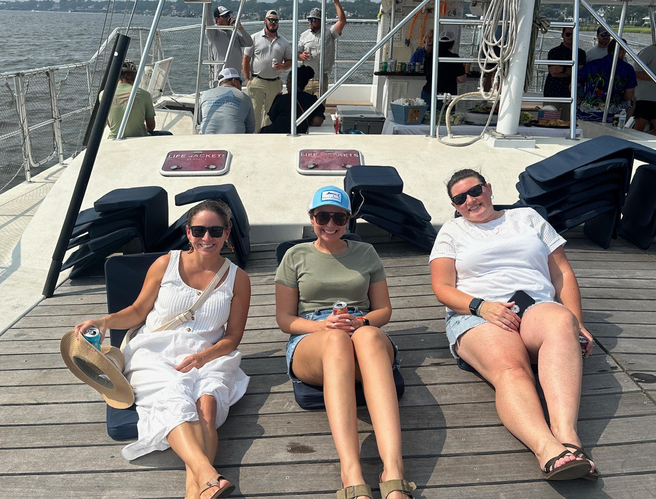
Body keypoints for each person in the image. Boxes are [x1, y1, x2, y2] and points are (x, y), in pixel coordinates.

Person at [74, 199, 251, 499]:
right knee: (174, 397)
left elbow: (232, 337)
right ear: (188, 232)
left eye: (215, 230)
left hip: (208, 353)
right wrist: (104, 321)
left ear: (227, 233)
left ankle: (194, 490)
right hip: (155, 350)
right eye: (199, 230)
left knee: (206, 403)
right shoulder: (165, 264)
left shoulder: (239, 279)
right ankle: (208, 475)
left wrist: (202, 357)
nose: (206, 238)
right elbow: (138, 310)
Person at [429, 169, 598, 482]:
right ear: (455, 204)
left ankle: (568, 438)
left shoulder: (527, 217)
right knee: (510, 367)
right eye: (460, 198)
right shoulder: (451, 232)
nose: (470, 200)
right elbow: (442, 287)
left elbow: (561, 272)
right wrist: (482, 306)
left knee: (561, 321)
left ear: (489, 188)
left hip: (533, 305)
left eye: (475, 191)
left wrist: (577, 320)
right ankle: (547, 448)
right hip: (477, 312)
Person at [275, 186, 416, 499]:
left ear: (348, 220)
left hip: (360, 326)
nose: (330, 223)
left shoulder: (366, 253)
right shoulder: (295, 256)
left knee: (364, 336)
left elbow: (384, 310)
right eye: (322, 215)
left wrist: (363, 321)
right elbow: (285, 319)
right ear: (312, 218)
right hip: (312, 335)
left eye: (338, 216)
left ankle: (393, 471)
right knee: (336, 340)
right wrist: (321, 325)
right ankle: (351, 472)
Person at [242, 9, 292, 133]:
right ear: (265, 21)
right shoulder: (253, 38)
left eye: (276, 20)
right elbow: (245, 60)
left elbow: (289, 62)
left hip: (275, 83)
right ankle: (253, 137)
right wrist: (247, 79)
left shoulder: (284, 42)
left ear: (278, 23)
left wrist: (282, 66)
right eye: (271, 20)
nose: (273, 23)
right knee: (254, 112)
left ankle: (267, 136)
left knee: (271, 113)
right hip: (257, 81)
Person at [102, 60, 171, 139]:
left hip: (114, 137)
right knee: (168, 134)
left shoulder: (104, 94)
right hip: (139, 137)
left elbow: (110, 123)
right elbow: (151, 126)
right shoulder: (144, 95)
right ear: (135, 76)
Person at [577, 39, 637, 123]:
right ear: (621, 51)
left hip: (586, 112)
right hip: (613, 113)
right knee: (633, 100)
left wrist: (579, 102)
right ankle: (620, 125)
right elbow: (628, 96)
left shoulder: (591, 64)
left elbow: (574, 85)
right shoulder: (627, 69)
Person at [297, 0, 347, 97]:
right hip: (305, 78)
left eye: (313, 19)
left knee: (319, 108)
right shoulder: (304, 35)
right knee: (303, 108)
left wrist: (336, 2)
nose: (310, 21)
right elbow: (297, 53)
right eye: (309, 19)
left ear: (321, 20)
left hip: (321, 78)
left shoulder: (329, 33)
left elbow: (342, 21)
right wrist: (301, 56)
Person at [260, 65, 325, 134]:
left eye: (287, 81)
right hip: (300, 133)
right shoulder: (313, 100)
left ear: (292, 82)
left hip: (277, 132)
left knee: (261, 131)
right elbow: (317, 121)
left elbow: (272, 118)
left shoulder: (280, 99)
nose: (287, 84)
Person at [543, 28, 587, 122]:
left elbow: (580, 72)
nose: (570, 37)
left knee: (568, 125)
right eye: (568, 34)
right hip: (553, 93)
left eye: (573, 35)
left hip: (571, 94)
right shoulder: (553, 52)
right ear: (562, 35)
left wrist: (562, 69)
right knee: (548, 123)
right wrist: (573, 71)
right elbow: (554, 73)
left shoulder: (581, 53)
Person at [199, 68, 256, 135]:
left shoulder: (205, 95)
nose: (241, 86)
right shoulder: (245, 98)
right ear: (234, 81)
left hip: (207, 139)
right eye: (240, 82)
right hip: (234, 141)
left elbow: (200, 120)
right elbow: (250, 128)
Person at [421, 31, 467, 110]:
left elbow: (426, 72)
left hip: (429, 92)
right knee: (445, 119)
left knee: (427, 118)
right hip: (447, 94)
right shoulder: (454, 58)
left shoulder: (429, 56)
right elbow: (462, 79)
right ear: (452, 44)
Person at [205, 5, 254, 78]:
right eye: (225, 15)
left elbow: (249, 43)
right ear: (217, 19)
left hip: (236, 76)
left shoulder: (233, 33)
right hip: (222, 77)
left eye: (228, 15)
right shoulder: (213, 33)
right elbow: (208, 20)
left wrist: (240, 28)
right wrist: (208, 2)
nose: (228, 17)